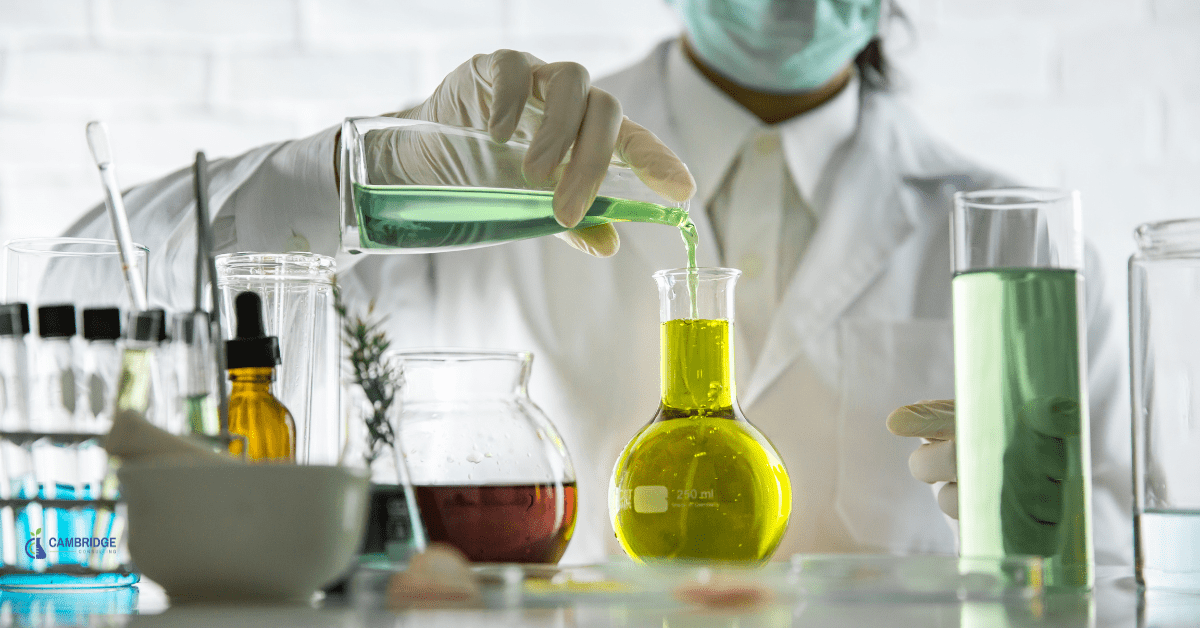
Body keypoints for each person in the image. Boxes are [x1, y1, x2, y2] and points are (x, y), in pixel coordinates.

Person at [61, 0, 1130, 566]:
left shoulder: (1024, 255)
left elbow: (1141, 560)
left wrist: (1047, 546)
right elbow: (87, 296)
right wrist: (357, 172)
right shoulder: (505, 167)